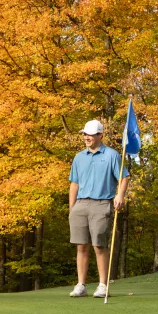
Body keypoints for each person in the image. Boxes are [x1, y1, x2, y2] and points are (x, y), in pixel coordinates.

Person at [68, 119, 129, 298]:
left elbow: (124, 177)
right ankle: (81, 285)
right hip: (80, 204)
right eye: (85, 134)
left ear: (100, 135)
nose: (87, 137)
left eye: (91, 134)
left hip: (101, 204)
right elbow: (74, 183)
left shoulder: (111, 155)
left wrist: (120, 195)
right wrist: (72, 208)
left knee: (99, 245)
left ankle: (102, 285)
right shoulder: (79, 157)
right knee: (81, 245)